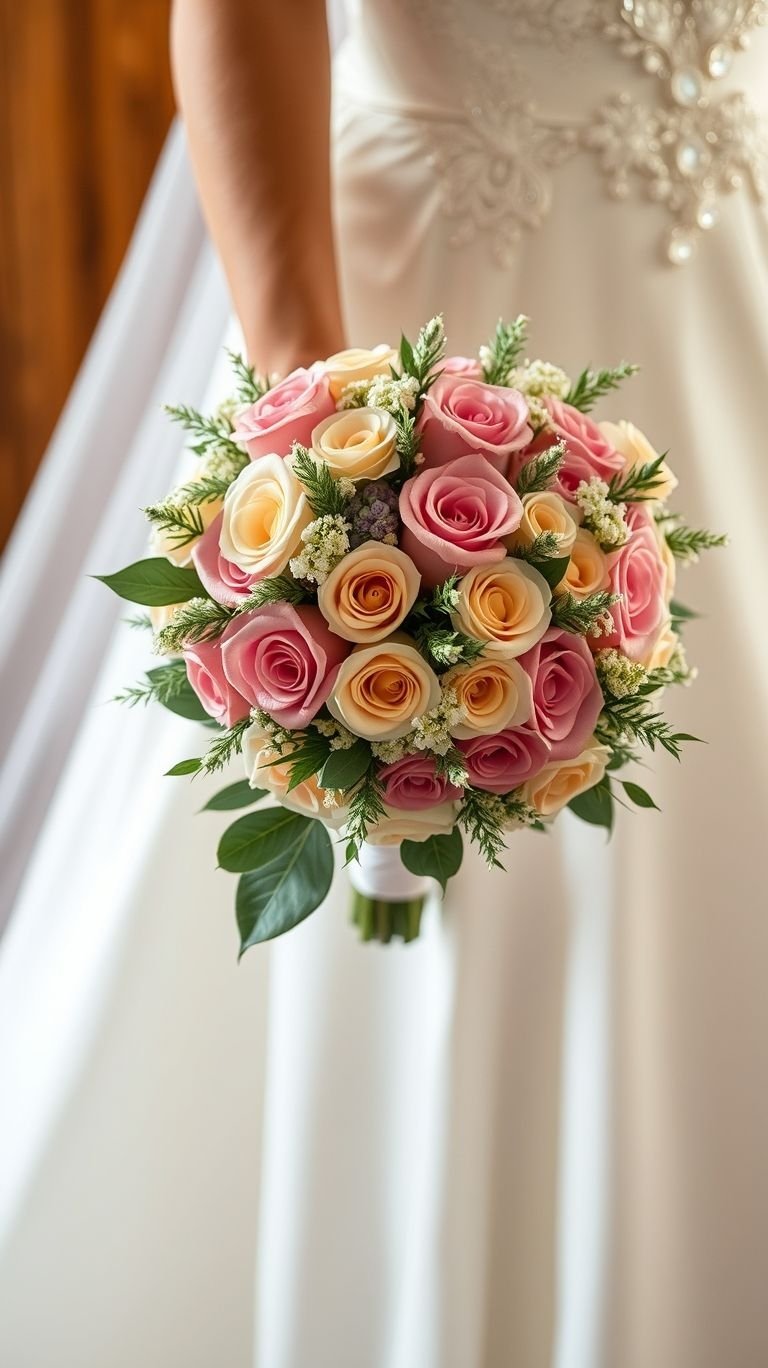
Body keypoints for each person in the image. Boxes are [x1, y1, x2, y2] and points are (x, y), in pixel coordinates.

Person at [1, 2, 767, 1365]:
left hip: (733, 272)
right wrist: (339, 478)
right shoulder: (371, 451)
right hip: (435, 304)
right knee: (474, 915)